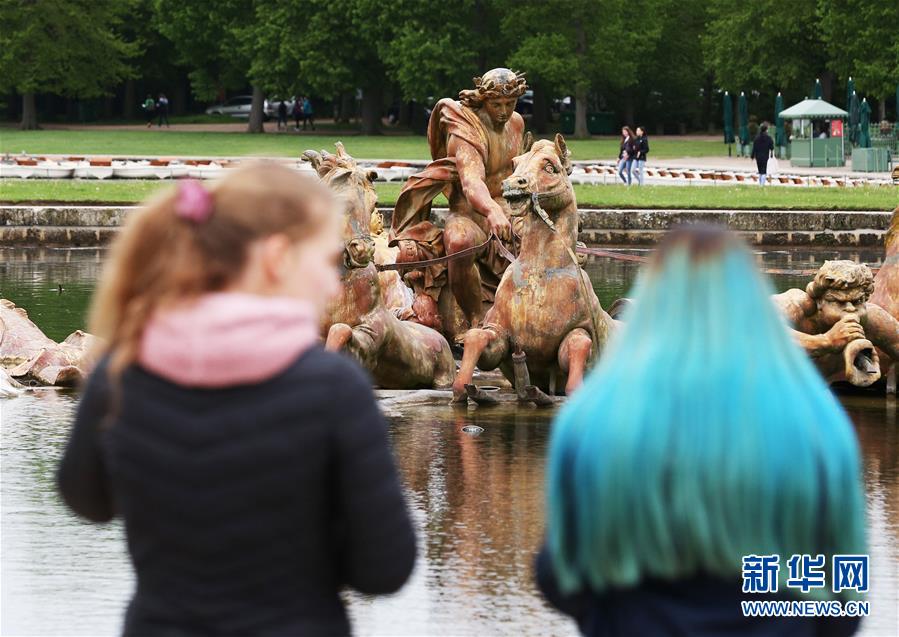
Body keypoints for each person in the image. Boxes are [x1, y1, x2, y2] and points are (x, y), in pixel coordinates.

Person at [57, 163, 416, 636]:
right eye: (325, 261)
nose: (333, 283)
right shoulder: (332, 388)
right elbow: (385, 568)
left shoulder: (122, 372)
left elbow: (85, 499)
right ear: (277, 258)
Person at [538, 225, 866, 637]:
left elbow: (559, 574)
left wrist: (618, 609)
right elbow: (847, 596)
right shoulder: (817, 420)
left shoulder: (593, 417)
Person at [389, 68, 527, 333]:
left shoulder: (517, 123)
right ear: (483, 100)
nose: (504, 111)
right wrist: (492, 211)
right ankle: (476, 320)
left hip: (509, 210)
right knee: (459, 242)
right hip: (468, 213)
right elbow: (471, 182)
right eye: (496, 104)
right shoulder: (466, 130)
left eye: (510, 104)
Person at [772, 260, 899, 386]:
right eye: (839, 302)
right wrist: (827, 341)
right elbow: (766, 333)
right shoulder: (794, 304)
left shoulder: (872, 320)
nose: (850, 309)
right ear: (819, 300)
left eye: (857, 302)